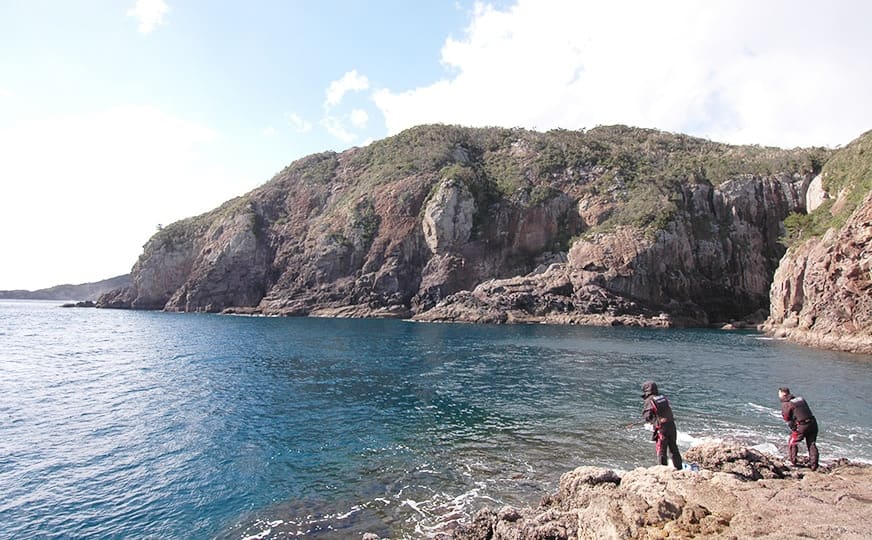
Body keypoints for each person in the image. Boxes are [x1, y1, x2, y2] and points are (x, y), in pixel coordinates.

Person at [641, 381, 682, 469]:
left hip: (662, 428)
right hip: (671, 425)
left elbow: (647, 416)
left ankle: (663, 470)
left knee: (661, 450)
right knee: (673, 448)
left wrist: (651, 421)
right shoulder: (663, 398)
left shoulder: (650, 400)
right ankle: (679, 468)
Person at [778, 387, 819, 471]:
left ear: (783, 394)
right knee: (811, 444)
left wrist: (794, 429)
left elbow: (787, 418)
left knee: (792, 442)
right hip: (813, 423)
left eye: (779, 393)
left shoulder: (786, 404)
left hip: (802, 425)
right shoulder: (800, 399)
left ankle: (793, 462)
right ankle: (814, 465)